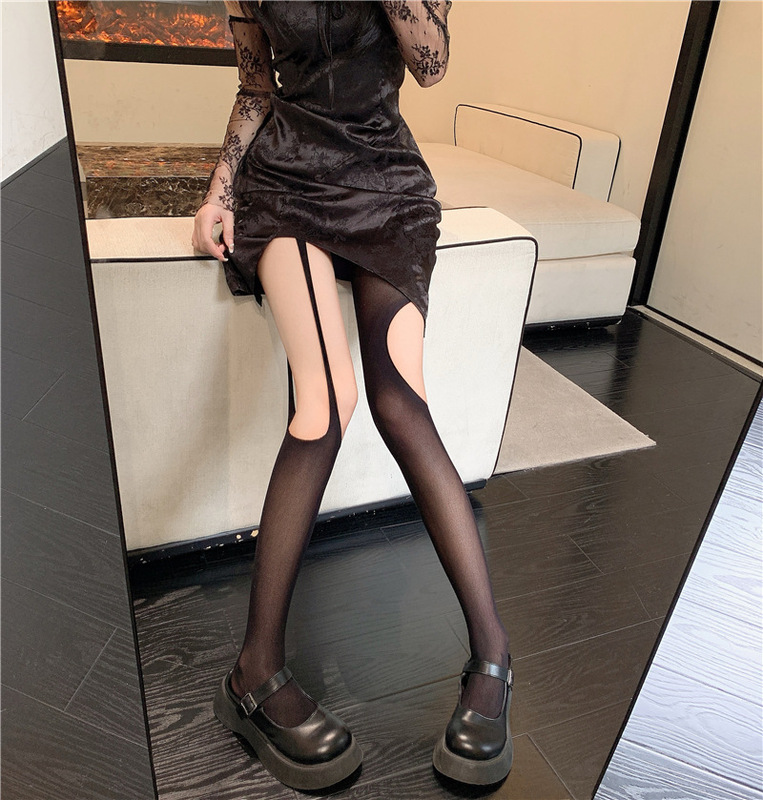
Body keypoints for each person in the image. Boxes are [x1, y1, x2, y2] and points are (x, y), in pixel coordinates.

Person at [191, 0, 513, 791]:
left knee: (401, 405)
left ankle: (494, 655)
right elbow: (255, 87)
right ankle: (253, 671)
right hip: (288, 187)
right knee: (325, 403)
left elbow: (430, 65)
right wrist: (219, 191)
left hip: (387, 187)